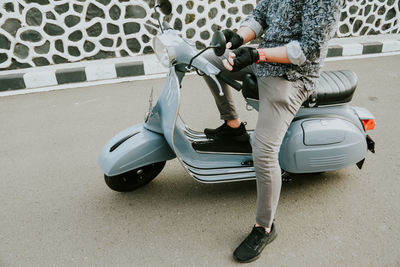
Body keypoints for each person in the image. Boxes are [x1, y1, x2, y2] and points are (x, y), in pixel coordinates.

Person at [201, 0, 343, 263]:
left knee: (264, 152)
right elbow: (261, 15)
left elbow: (307, 50)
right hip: (264, 59)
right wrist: (239, 36)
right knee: (206, 61)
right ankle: (232, 125)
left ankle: (264, 228)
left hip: (293, 76)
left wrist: (257, 55)